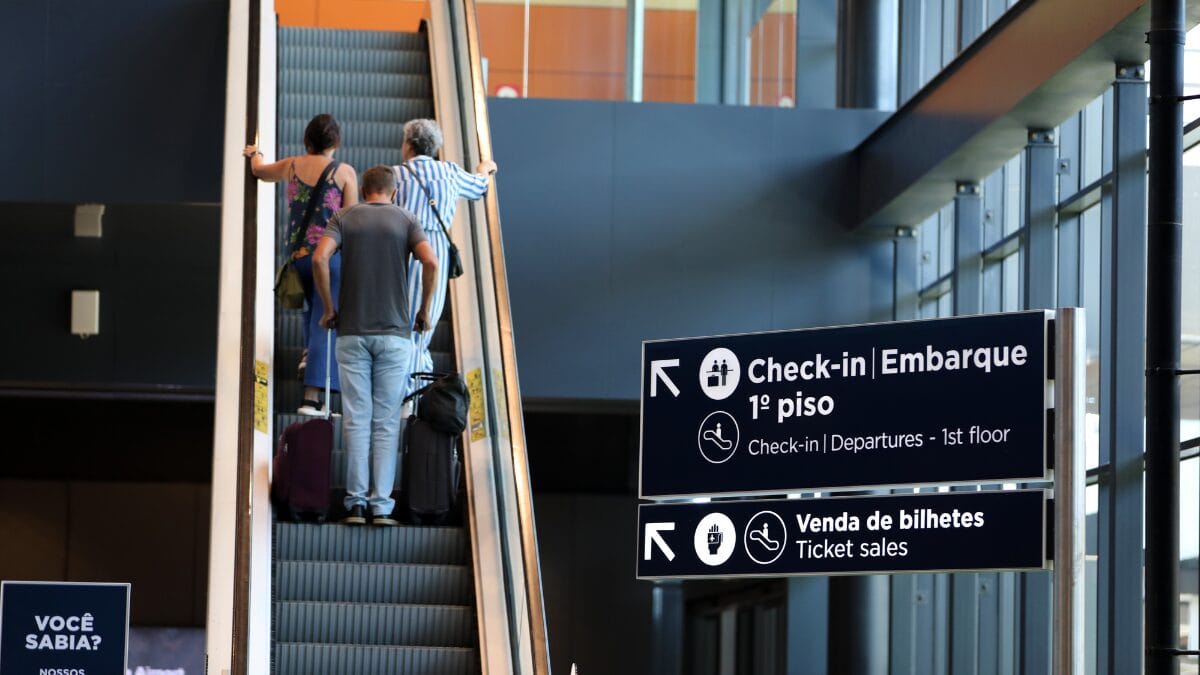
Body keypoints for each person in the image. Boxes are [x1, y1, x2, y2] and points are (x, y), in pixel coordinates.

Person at [312, 165, 439, 526]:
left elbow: (320, 258)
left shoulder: (344, 216)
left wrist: (328, 308)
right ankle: (381, 506)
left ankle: (354, 505)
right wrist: (424, 309)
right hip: (396, 335)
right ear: (393, 192)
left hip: (351, 332)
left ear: (365, 189)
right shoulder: (407, 219)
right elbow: (430, 260)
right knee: (385, 423)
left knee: (356, 419)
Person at [244, 113, 358, 414]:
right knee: (326, 320)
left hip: (297, 258)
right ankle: (311, 397)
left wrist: (255, 154)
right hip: (328, 259)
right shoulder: (344, 173)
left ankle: (312, 361)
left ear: (307, 140)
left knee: (311, 315)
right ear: (336, 142)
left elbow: (259, 171)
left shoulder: (292, 165)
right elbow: (353, 219)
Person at [392, 119, 497, 394]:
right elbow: (480, 188)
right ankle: (410, 400)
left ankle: (400, 394)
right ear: (435, 147)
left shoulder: (396, 175)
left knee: (399, 326)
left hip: (401, 250)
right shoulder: (449, 172)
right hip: (435, 249)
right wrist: (484, 168)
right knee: (422, 328)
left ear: (408, 145)